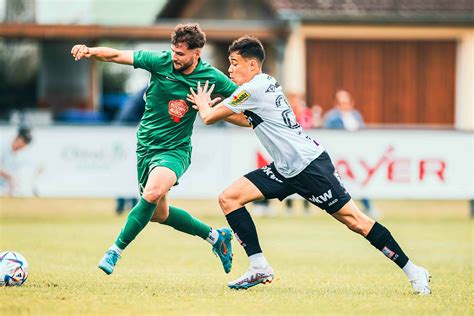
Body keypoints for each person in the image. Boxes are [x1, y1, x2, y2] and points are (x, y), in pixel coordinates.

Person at [188, 36, 431, 294]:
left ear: (251, 65)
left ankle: (415, 271)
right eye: (229, 64)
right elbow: (247, 120)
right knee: (229, 198)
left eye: (235, 63)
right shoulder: (264, 84)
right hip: (283, 169)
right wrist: (214, 109)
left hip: (310, 165)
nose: (230, 69)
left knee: (356, 221)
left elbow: (210, 117)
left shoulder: (253, 89)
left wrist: (204, 104)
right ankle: (259, 266)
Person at [71, 23, 250, 276]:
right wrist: (89, 50)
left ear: (196, 54)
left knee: (153, 192)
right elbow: (116, 55)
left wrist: (211, 111)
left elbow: (246, 109)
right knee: (158, 213)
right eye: (173, 51)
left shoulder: (212, 78)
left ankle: (115, 250)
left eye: (180, 54)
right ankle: (215, 237)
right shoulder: (160, 62)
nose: (174, 57)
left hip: (175, 150)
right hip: (145, 147)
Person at [324, 90, 381, 219]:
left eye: (346, 102)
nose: (343, 105)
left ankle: (367, 206)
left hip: (353, 158)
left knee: (359, 182)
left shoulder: (356, 116)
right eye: (340, 102)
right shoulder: (331, 117)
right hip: (339, 157)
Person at [0, 127, 33, 196]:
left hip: (7, 186)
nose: (20, 148)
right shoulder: (2, 146)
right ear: (17, 139)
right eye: (20, 145)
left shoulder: (21, 155)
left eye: (23, 147)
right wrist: (9, 177)